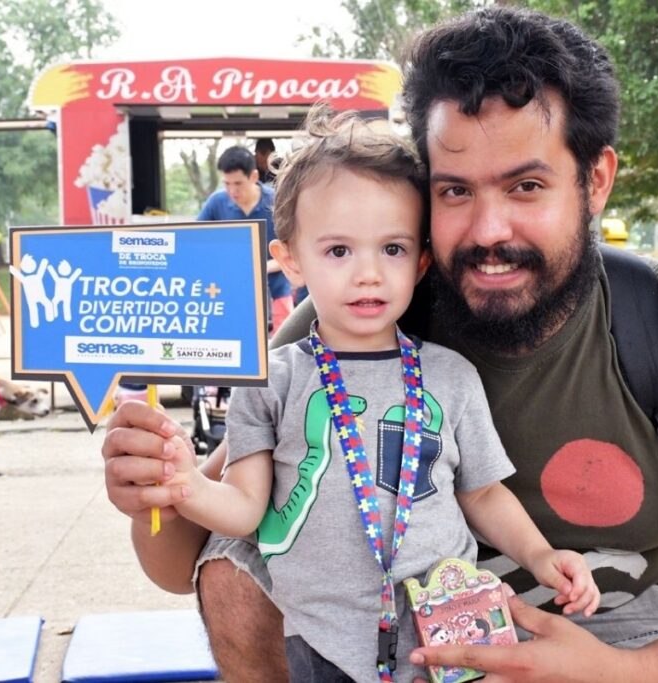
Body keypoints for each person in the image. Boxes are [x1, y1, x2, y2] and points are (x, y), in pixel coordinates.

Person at [102, 7, 658, 682]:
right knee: (235, 572)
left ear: (596, 179)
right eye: (455, 191)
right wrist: (149, 488)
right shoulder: (349, 329)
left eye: (525, 186)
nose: (487, 230)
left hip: (621, 624)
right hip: (399, 618)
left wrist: (617, 672)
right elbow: (188, 561)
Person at [164, 108, 599, 682]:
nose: (368, 273)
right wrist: (185, 485)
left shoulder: (451, 376)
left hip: (449, 632)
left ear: (421, 261)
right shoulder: (273, 380)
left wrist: (542, 556)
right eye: (339, 251)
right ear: (290, 259)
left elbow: (485, 495)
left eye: (391, 249)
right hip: (323, 637)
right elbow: (245, 508)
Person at [199, 145, 293, 332]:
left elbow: (294, 248)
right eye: (227, 184)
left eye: (238, 184)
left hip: (277, 289)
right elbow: (198, 241)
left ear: (254, 177)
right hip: (231, 291)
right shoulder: (217, 202)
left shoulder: (277, 201)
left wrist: (260, 268)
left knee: (283, 343)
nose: (232, 191)